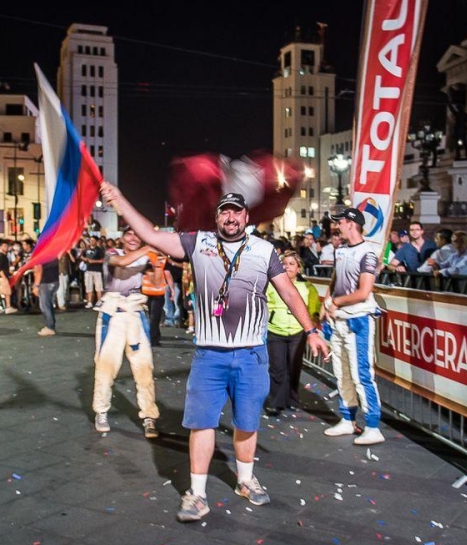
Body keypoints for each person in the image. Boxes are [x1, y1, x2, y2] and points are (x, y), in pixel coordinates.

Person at [101, 185, 329, 523]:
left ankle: (246, 480)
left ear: (246, 217)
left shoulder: (264, 250)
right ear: (217, 217)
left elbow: (290, 293)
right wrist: (119, 200)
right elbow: (149, 232)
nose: (231, 216)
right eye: (225, 211)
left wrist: (311, 330)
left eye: (237, 211)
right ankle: (197, 494)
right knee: (202, 423)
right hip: (210, 355)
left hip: (251, 354)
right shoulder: (198, 243)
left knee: (247, 423)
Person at [322, 208, 384, 446]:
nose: (336, 226)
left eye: (340, 222)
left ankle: (372, 425)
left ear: (351, 224)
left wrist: (334, 301)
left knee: (361, 375)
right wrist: (327, 302)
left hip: (358, 320)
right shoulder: (341, 250)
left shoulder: (368, 253)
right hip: (338, 320)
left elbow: (363, 292)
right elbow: (336, 279)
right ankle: (347, 419)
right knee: (342, 374)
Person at [92, 225, 161, 439]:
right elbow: (122, 263)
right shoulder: (113, 254)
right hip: (112, 315)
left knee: (144, 367)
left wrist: (158, 264)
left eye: (137, 234)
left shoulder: (145, 258)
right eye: (129, 234)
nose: (133, 238)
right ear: (122, 238)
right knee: (106, 367)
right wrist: (150, 247)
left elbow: (158, 285)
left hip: (135, 316)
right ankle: (101, 411)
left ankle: (149, 415)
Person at [265, 251, 320, 415]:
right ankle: (276, 402)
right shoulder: (271, 284)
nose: (287, 267)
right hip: (275, 330)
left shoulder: (307, 287)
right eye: (285, 263)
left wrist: (313, 323)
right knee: (277, 368)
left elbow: (313, 307)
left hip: (297, 332)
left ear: (299, 268)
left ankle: (292, 399)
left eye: (291, 264)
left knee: (294, 367)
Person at [140, 249, 174, 347]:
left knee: (152, 315)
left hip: (147, 291)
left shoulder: (146, 256)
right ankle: (153, 338)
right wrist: (172, 289)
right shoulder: (164, 259)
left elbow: (144, 271)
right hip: (158, 292)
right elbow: (168, 275)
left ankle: (154, 336)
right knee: (155, 316)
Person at [33, 259, 60, 336]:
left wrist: (36, 285)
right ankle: (51, 325)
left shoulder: (41, 255)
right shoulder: (52, 254)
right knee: (49, 304)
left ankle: (49, 327)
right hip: (54, 281)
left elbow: (39, 270)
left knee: (45, 305)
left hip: (45, 282)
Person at [0, 241, 17, 314]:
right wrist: (4, 278)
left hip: (1, 277)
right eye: (5, 246)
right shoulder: (0, 257)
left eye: (7, 246)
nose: (6, 248)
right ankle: (8, 307)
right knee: (7, 292)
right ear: (1, 247)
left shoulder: (3, 256)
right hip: (2, 277)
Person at [82, 236, 105, 308]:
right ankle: (89, 302)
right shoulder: (86, 249)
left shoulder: (99, 250)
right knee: (89, 287)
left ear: (96, 241)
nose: (91, 242)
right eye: (90, 240)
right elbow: (81, 256)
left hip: (97, 270)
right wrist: (84, 259)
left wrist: (94, 261)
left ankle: (99, 301)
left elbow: (103, 260)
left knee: (98, 287)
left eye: (93, 240)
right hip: (88, 270)